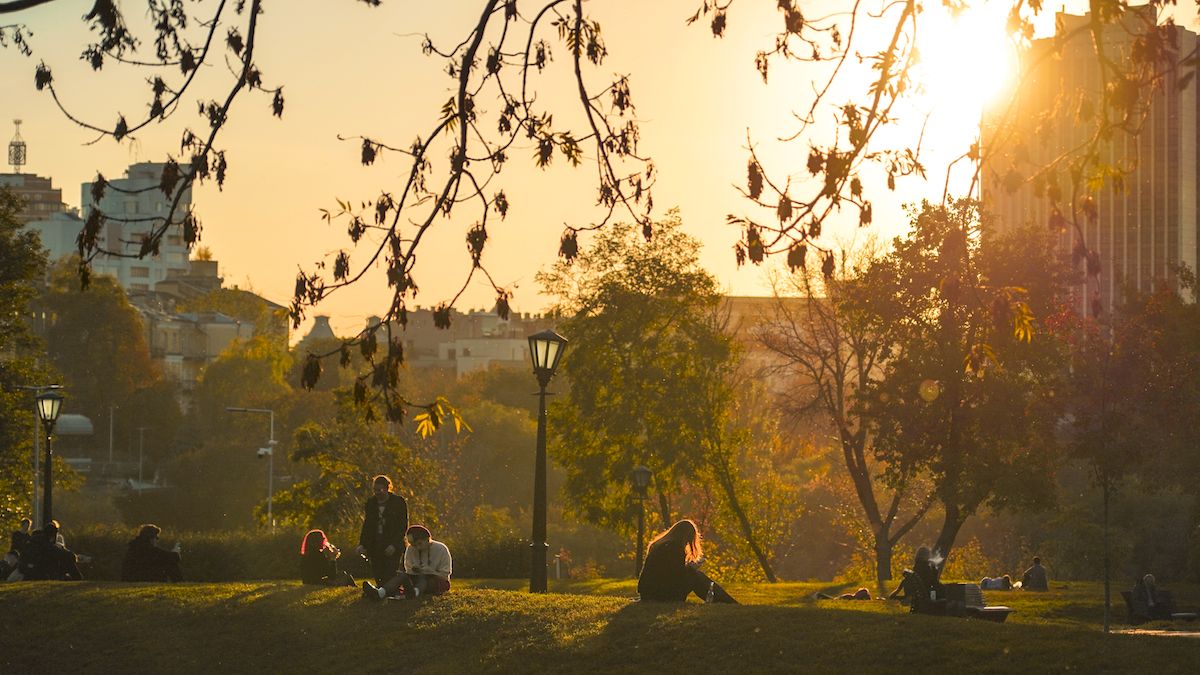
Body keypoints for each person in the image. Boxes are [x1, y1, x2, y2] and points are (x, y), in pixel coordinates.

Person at [636, 519, 737, 604]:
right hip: (659, 595)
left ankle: (725, 600)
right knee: (696, 576)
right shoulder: (674, 547)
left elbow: (669, 572)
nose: (688, 543)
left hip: (648, 593)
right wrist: (691, 568)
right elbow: (677, 575)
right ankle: (726, 601)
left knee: (694, 574)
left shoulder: (661, 544)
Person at [362, 525, 452, 601]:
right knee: (401, 575)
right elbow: (408, 569)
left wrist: (430, 571)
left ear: (428, 539)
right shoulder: (410, 549)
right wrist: (415, 570)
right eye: (413, 545)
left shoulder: (441, 549)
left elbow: (445, 574)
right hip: (415, 579)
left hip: (436, 581)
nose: (417, 547)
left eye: (419, 544)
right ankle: (380, 593)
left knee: (424, 577)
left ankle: (414, 593)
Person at [356, 475, 408, 586]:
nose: (377, 493)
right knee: (378, 574)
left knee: (390, 572)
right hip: (375, 544)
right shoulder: (371, 503)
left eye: (379, 490)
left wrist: (394, 545)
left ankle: (389, 593)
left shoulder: (398, 502)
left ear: (387, 488)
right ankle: (381, 594)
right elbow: (367, 525)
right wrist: (362, 544)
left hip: (392, 544)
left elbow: (402, 526)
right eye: (375, 490)